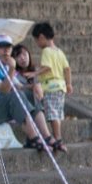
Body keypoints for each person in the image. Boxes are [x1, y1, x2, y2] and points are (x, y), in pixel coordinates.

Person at [30, 21, 73, 152]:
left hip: (51, 87)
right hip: (60, 87)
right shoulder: (59, 52)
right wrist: (69, 83)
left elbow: (47, 68)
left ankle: (57, 138)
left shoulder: (47, 51)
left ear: (42, 37)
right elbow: (67, 69)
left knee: (53, 114)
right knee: (57, 113)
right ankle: (56, 137)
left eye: (37, 40)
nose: (37, 44)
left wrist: (34, 72)